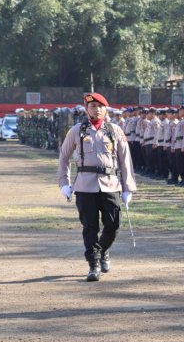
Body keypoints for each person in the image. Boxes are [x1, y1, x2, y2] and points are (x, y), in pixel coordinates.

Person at [57, 93, 137, 282]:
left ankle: (102, 251)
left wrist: (128, 188)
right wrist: (64, 184)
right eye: (93, 106)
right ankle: (94, 265)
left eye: (101, 106)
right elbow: (63, 157)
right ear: (86, 109)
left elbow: (125, 161)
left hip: (110, 185)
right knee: (90, 227)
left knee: (113, 224)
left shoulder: (115, 130)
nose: (97, 109)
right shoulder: (77, 130)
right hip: (85, 186)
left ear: (106, 109)